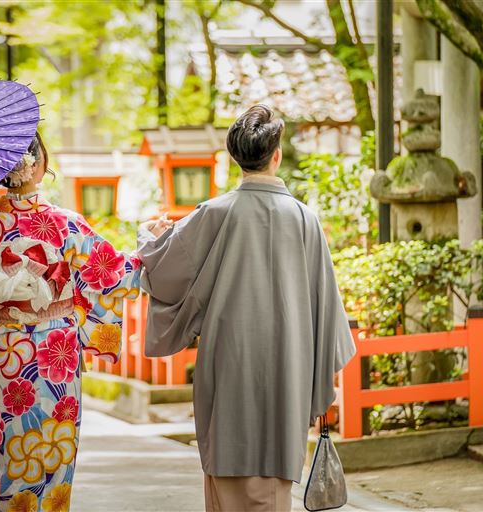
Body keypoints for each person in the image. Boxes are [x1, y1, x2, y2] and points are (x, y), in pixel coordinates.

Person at [137, 104, 357, 512]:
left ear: (235, 156)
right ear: (276, 155)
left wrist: (149, 236)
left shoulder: (214, 213)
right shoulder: (305, 219)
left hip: (229, 362)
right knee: (274, 480)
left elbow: (164, 269)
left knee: (226, 469)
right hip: (288, 367)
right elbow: (326, 308)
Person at [0, 132, 141, 512]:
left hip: (8, 352)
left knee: (9, 450)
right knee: (54, 450)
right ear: (40, 166)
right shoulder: (65, 224)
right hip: (56, 354)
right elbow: (110, 271)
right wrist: (150, 246)